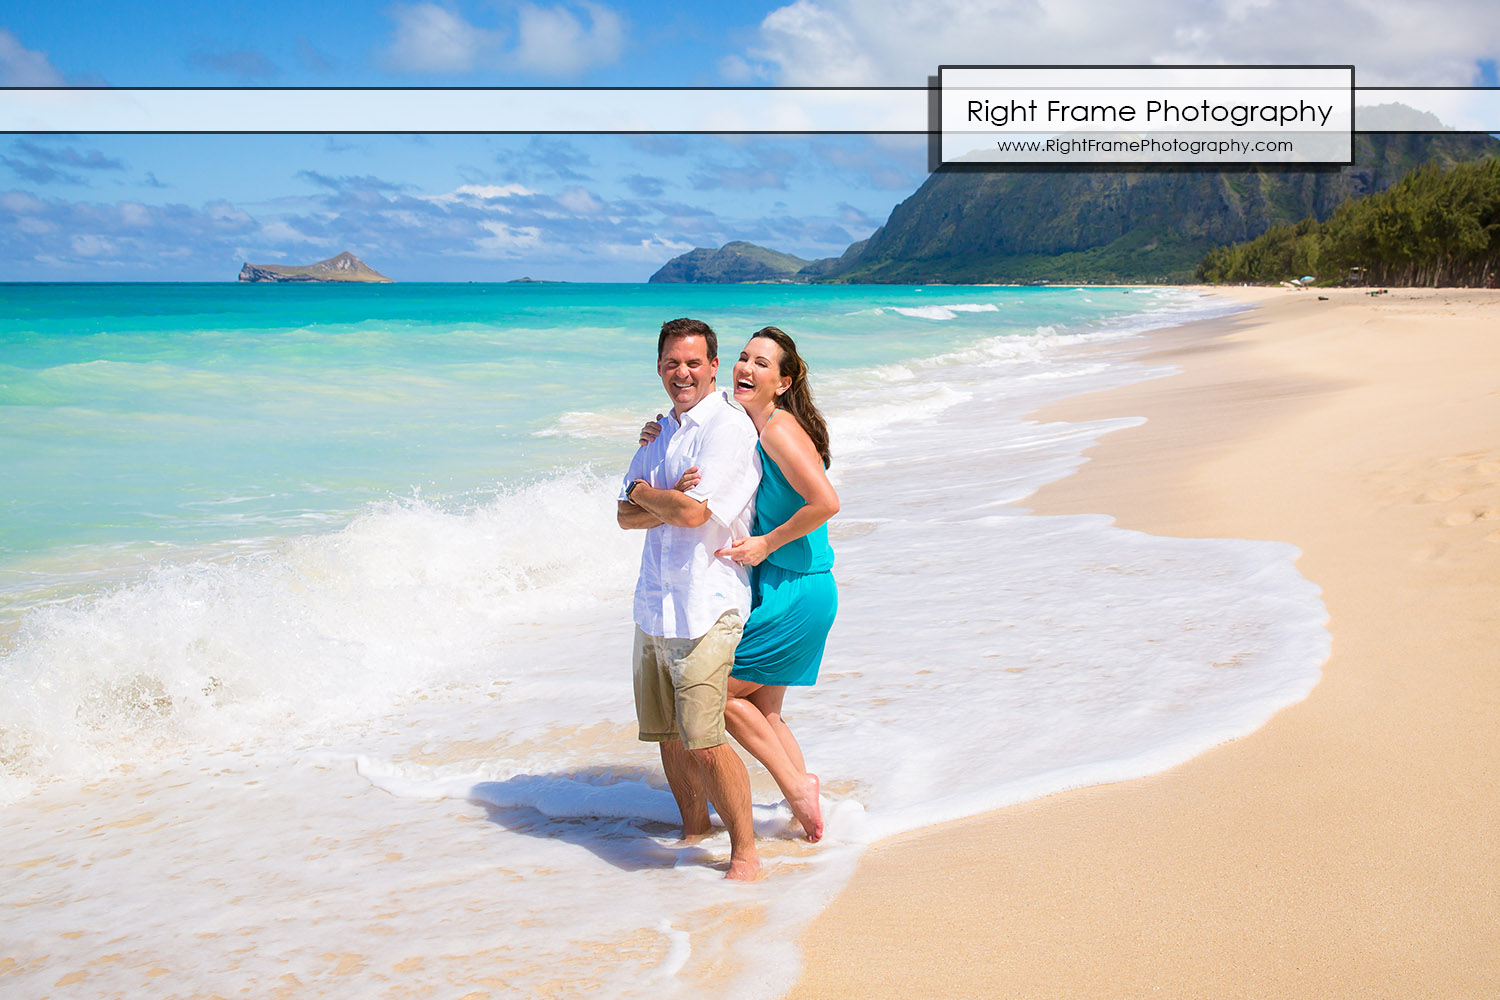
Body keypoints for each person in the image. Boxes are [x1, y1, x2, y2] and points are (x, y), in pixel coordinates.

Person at [639, 326, 839, 842]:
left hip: (797, 585)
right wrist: (661, 433)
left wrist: (766, 544)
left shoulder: (776, 428)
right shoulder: (745, 420)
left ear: (784, 381)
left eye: (763, 364)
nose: (747, 369)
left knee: (720, 696)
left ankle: (797, 788)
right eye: (745, 358)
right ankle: (806, 820)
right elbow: (699, 409)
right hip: (775, 580)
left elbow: (826, 503)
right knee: (766, 712)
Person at [618, 317, 762, 881]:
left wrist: (644, 492)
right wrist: (655, 498)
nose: (683, 372)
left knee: (704, 739)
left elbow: (694, 513)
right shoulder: (659, 435)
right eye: (673, 363)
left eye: (694, 362)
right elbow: (624, 519)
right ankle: (694, 830)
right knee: (668, 736)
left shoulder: (727, 429)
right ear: (659, 368)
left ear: (713, 366)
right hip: (654, 602)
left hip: (708, 602)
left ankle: (746, 851)